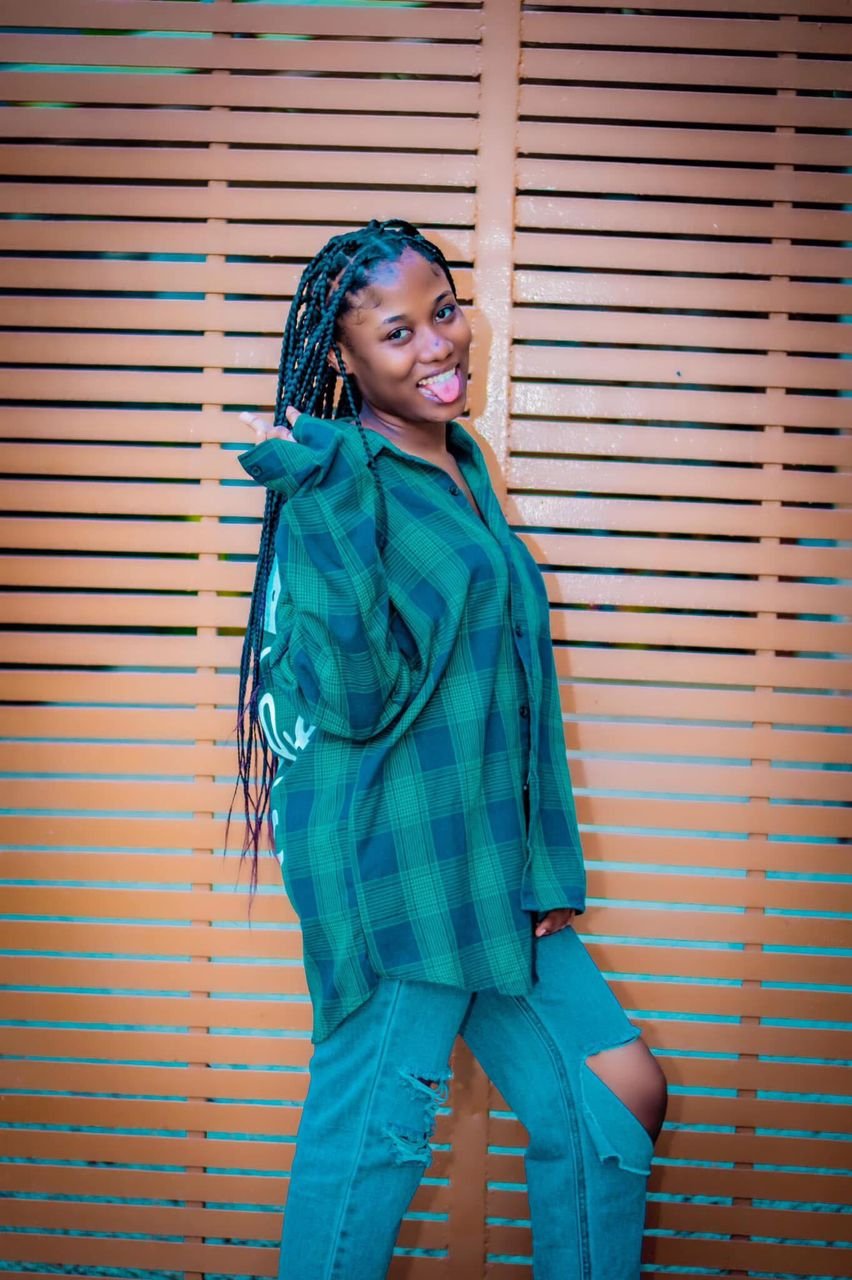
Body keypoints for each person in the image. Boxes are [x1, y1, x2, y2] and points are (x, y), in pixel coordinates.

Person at [234, 218, 668, 1279]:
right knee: (370, 1149)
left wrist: (545, 868)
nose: (438, 344)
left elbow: (514, 691)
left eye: (444, 311)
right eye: (398, 331)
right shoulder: (343, 478)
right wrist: (320, 500)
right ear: (346, 359)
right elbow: (351, 697)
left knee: (620, 1094)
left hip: (490, 871)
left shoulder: (464, 461)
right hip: (398, 871)